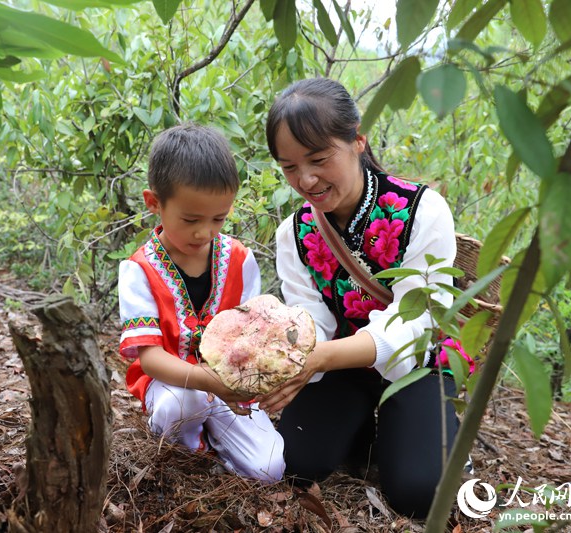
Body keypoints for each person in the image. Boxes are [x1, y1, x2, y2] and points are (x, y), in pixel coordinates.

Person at [257, 78, 459, 517]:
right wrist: (288, 359)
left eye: (318, 159)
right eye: (288, 167)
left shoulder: (422, 212)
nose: (305, 180)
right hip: (341, 366)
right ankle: (365, 427)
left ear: (357, 141)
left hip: (416, 366)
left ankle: (398, 428)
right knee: (295, 465)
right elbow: (311, 316)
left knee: (420, 492)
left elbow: (415, 324)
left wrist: (318, 359)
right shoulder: (295, 233)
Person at [118, 123, 285, 483]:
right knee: (186, 402)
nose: (204, 232)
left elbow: (252, 336)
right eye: (191, 219)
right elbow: (149, 357)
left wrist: (244, 384)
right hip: (172, 387)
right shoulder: (139, 271)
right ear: (154, 203)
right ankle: (185, 451)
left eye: (218, 219)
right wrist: (206, 381)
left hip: (229, 389)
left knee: (269, 469)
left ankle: (217, 445)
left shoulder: (240, 261)